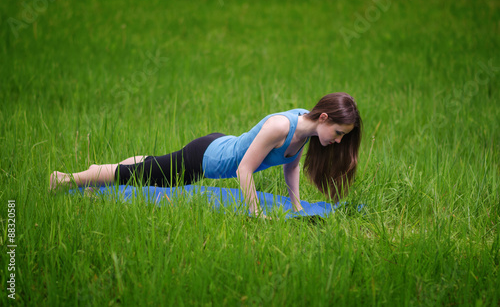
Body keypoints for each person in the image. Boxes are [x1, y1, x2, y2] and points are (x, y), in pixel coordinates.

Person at [50, 92, 362, 217]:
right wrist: (255, 212)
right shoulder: (281, 126)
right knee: (141, 177)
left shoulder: (304, 131)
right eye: (338, 133)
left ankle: (104, 175)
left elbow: (290, 166)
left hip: (219, 146)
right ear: (324, 118)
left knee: (150, 168)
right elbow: (244, 170)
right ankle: (66, 179)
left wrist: (296, 205)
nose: (337, 141)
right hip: (202, 158)